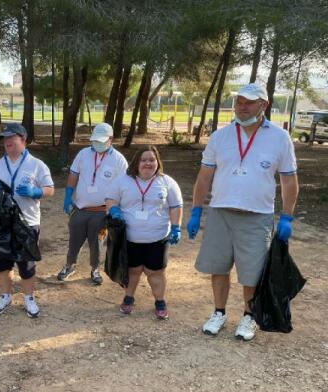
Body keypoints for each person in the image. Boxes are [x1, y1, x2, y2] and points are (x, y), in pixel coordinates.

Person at [187, 82, 299, 341]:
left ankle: (249, 316)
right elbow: (204, 177)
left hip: (256, 215)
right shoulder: (221, 136)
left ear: (264, 105)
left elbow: (289, 180)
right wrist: (195, 210)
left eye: (249, 102)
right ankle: (219, 312)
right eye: (239, 101)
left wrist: (287, 216)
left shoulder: (279, 138)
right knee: (218, 267)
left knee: (251, 272)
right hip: (220, 213)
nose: (242, 106)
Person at [105, 145, 183, 319]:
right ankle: (128, 298)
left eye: (152, 160)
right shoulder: (122, 181)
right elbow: (111, 199)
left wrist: (176, 227)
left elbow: (176, 206)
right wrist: (114, 210)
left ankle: (160, 301)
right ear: (136, 162)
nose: (148, 163)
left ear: (157, 162)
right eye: (144, 160)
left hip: (158, 238)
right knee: (133, 271)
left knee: (156, 273)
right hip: (130, 238)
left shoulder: (167, 182)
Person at [0, 123, 54, 318]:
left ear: (23, 140)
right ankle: (5, 296)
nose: (7, 142)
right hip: (2, 224)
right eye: (4, 139)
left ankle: (29, 298)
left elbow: (50, 188)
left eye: (11, 138)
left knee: (26, 264)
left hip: (27, 222)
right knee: (3, 262)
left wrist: (37, 191)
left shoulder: (37, 165)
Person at [57, 123, 128, 285]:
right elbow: (74, 174)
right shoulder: (83, 154)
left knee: (96, 242)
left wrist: (117, 209)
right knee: (74, 239)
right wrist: (68, 195)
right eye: (95, 140)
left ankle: (95, 268)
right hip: (80, 208)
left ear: (110, 139)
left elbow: (124, 185)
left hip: (102, 211)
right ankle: (69, 265)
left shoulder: (119, 160)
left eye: (101, 141)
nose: (97, 144)